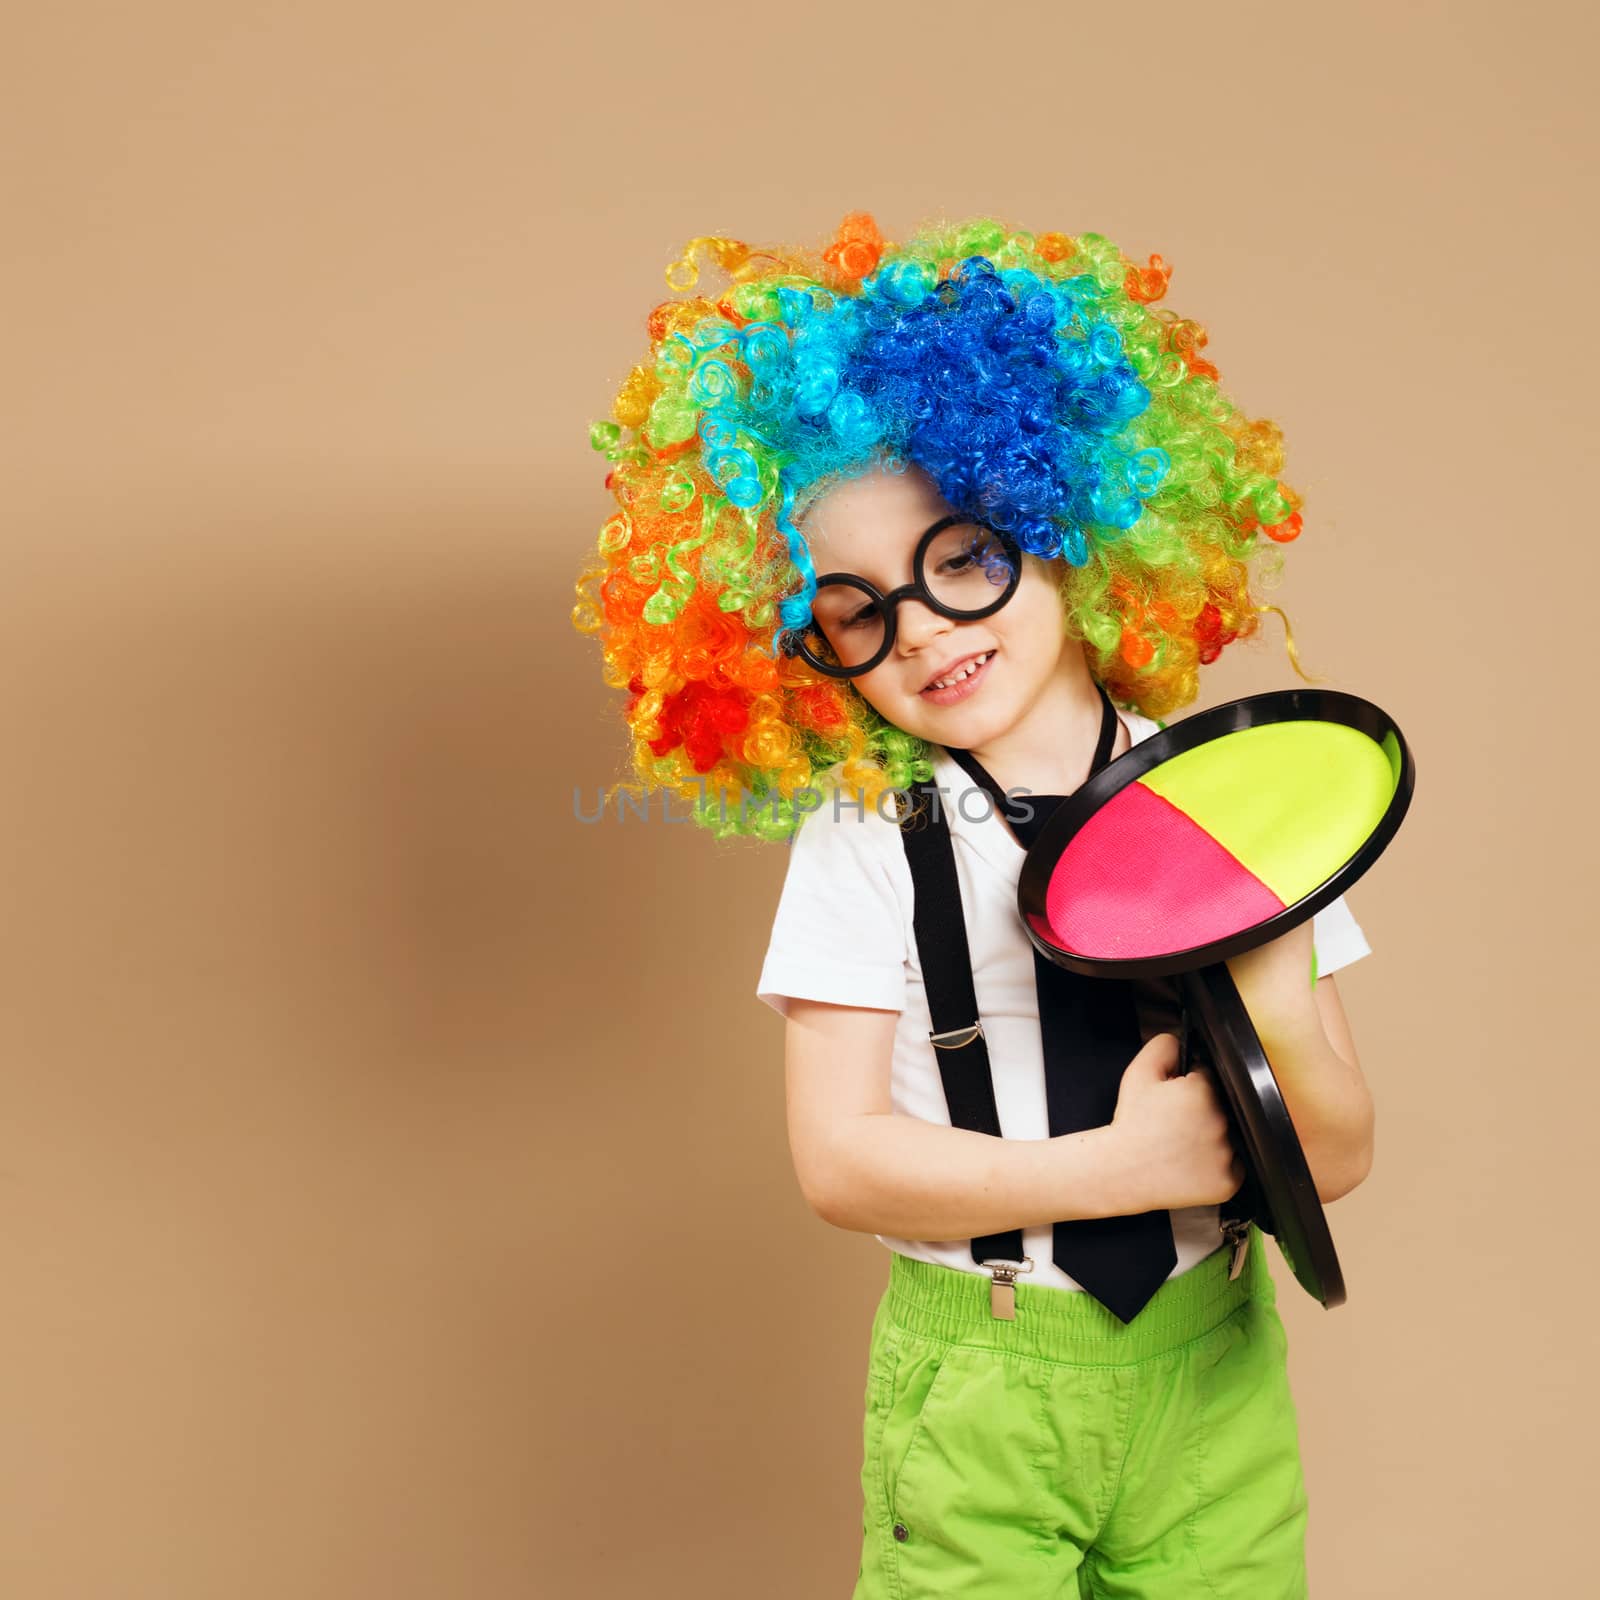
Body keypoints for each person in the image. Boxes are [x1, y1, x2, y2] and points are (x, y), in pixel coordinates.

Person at [572, 212, 1376, 1598]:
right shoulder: (866, 839)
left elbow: (1342, 1153)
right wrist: (1106, 1175)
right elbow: (838, 1160)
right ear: (808, 649)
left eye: (963, 560)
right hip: (989, 1376)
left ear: (1069, 521)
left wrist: (1278, 983)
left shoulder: (1232, 798)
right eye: (860, 612)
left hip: (1214, 1360)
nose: (929, 629)